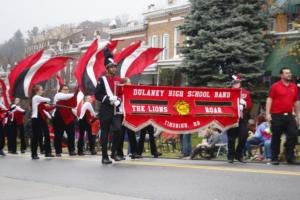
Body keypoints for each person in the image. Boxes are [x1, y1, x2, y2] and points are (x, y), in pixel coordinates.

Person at [95, 47, 123, 164]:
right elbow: (97, 95)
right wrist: (108, 99)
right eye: (112, 67)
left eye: (115, 66)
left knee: (118, 130)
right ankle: (104, 156)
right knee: (105, 133)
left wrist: (118, 100)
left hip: (116, 109)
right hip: (106, 109)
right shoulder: (102, 80)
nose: (114, 68)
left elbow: (122, 93)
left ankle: (114, 152)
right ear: (107, 68)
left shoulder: (118, 79)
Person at [266, 67, 299, 165]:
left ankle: (290, 157)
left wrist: (298, 116)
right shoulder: (275, 86)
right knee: (276, 137)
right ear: (281, 75)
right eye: (286, 73)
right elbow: (269, 99)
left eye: (290, 73)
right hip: (277, 116)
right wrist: (268, 114)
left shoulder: (294, 87)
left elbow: (296, 102)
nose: (289, 74)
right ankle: (274, 158)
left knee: (293, 135)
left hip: (289, 116)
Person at [227, 74, 253, 163]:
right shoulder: (228, 92)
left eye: (237, 83)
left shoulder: (245, 92)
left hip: (242, 117)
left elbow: (250, 104)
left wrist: (244, 104)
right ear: (232, 84)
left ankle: (238, 154)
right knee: (231, 138)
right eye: (234, 83)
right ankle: (230, 156)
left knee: (244, 136)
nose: (236, 84)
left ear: (240, 83)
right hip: (231, 118)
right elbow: (225, 104)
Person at [53, 85, 78, 157]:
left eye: (67, 89)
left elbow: (73, 106)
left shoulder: (70, 96)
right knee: (58, 135)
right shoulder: (58, 95)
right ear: (60, 90)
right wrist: (74, 94)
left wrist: (75, 96)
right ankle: (58, 151)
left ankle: (71, 150)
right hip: (59, 117)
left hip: (69, 117)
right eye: (64, 89)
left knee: (71, 135)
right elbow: (64, 97)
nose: (66, 91)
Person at [30, 85, 52, 159]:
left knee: (46, 134)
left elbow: (44, 109)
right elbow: (48, 99)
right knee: (35, 136)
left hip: (41, 118)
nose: (43, 91)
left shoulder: (39, 99)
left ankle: (47, 152)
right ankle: (34, 154)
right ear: (37, 91)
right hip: (35, 119)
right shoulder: (36, 97)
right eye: (41, 89)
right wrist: (46, 102)